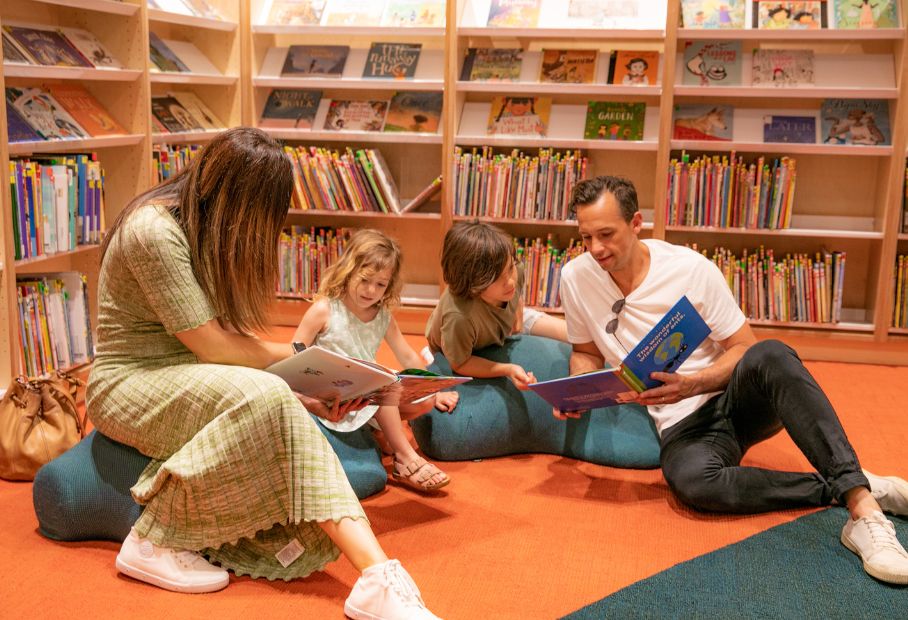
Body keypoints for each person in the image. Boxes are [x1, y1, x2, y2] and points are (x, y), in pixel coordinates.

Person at [86, 127, 443, 619]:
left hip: (189, 374)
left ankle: (377, 575)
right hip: (128, 382)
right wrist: (307, 362)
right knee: (270, 392)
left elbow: (223, 350)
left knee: (275, 395)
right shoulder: (153, 231)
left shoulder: (200, 229)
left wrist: (310, 391)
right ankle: (153, 542)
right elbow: (212, 345)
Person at [553, 175, 908, 585]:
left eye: (606, 234)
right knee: (693, 484)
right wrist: (579, 388)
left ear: (636, 223)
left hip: (731, 397)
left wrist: (696, 382)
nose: (596, 249)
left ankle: (863, 511)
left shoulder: (689, 268)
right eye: (585, 238)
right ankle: (844, 482)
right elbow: (584, 351)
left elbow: (742, 346)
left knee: (772, 353)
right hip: (681, 425)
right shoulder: (576, 277)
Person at [293, 229, 459, 493]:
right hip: (330, 393)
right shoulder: (325, 310)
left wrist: (433, 388)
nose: (371, 290)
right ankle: (405, 458)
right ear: (348, 271)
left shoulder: (382, 316)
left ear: (389, 285)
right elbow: (295, 355)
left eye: (380, 284)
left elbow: (406, 355)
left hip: (366, 393)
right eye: (365, 280)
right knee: (382, 382)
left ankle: (380, 433)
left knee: (422, 399)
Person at [426, 220, 567, 390]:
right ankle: (430, 357)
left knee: (572, 333)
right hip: (462, 345)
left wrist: (518, 318)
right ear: (473, 285)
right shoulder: (459, 317)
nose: (510, 282)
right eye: (497, 278)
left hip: (500, 324)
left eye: (509, 268)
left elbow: (517, 292)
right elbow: (460, 364)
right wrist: (507, 369)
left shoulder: (515, 271)